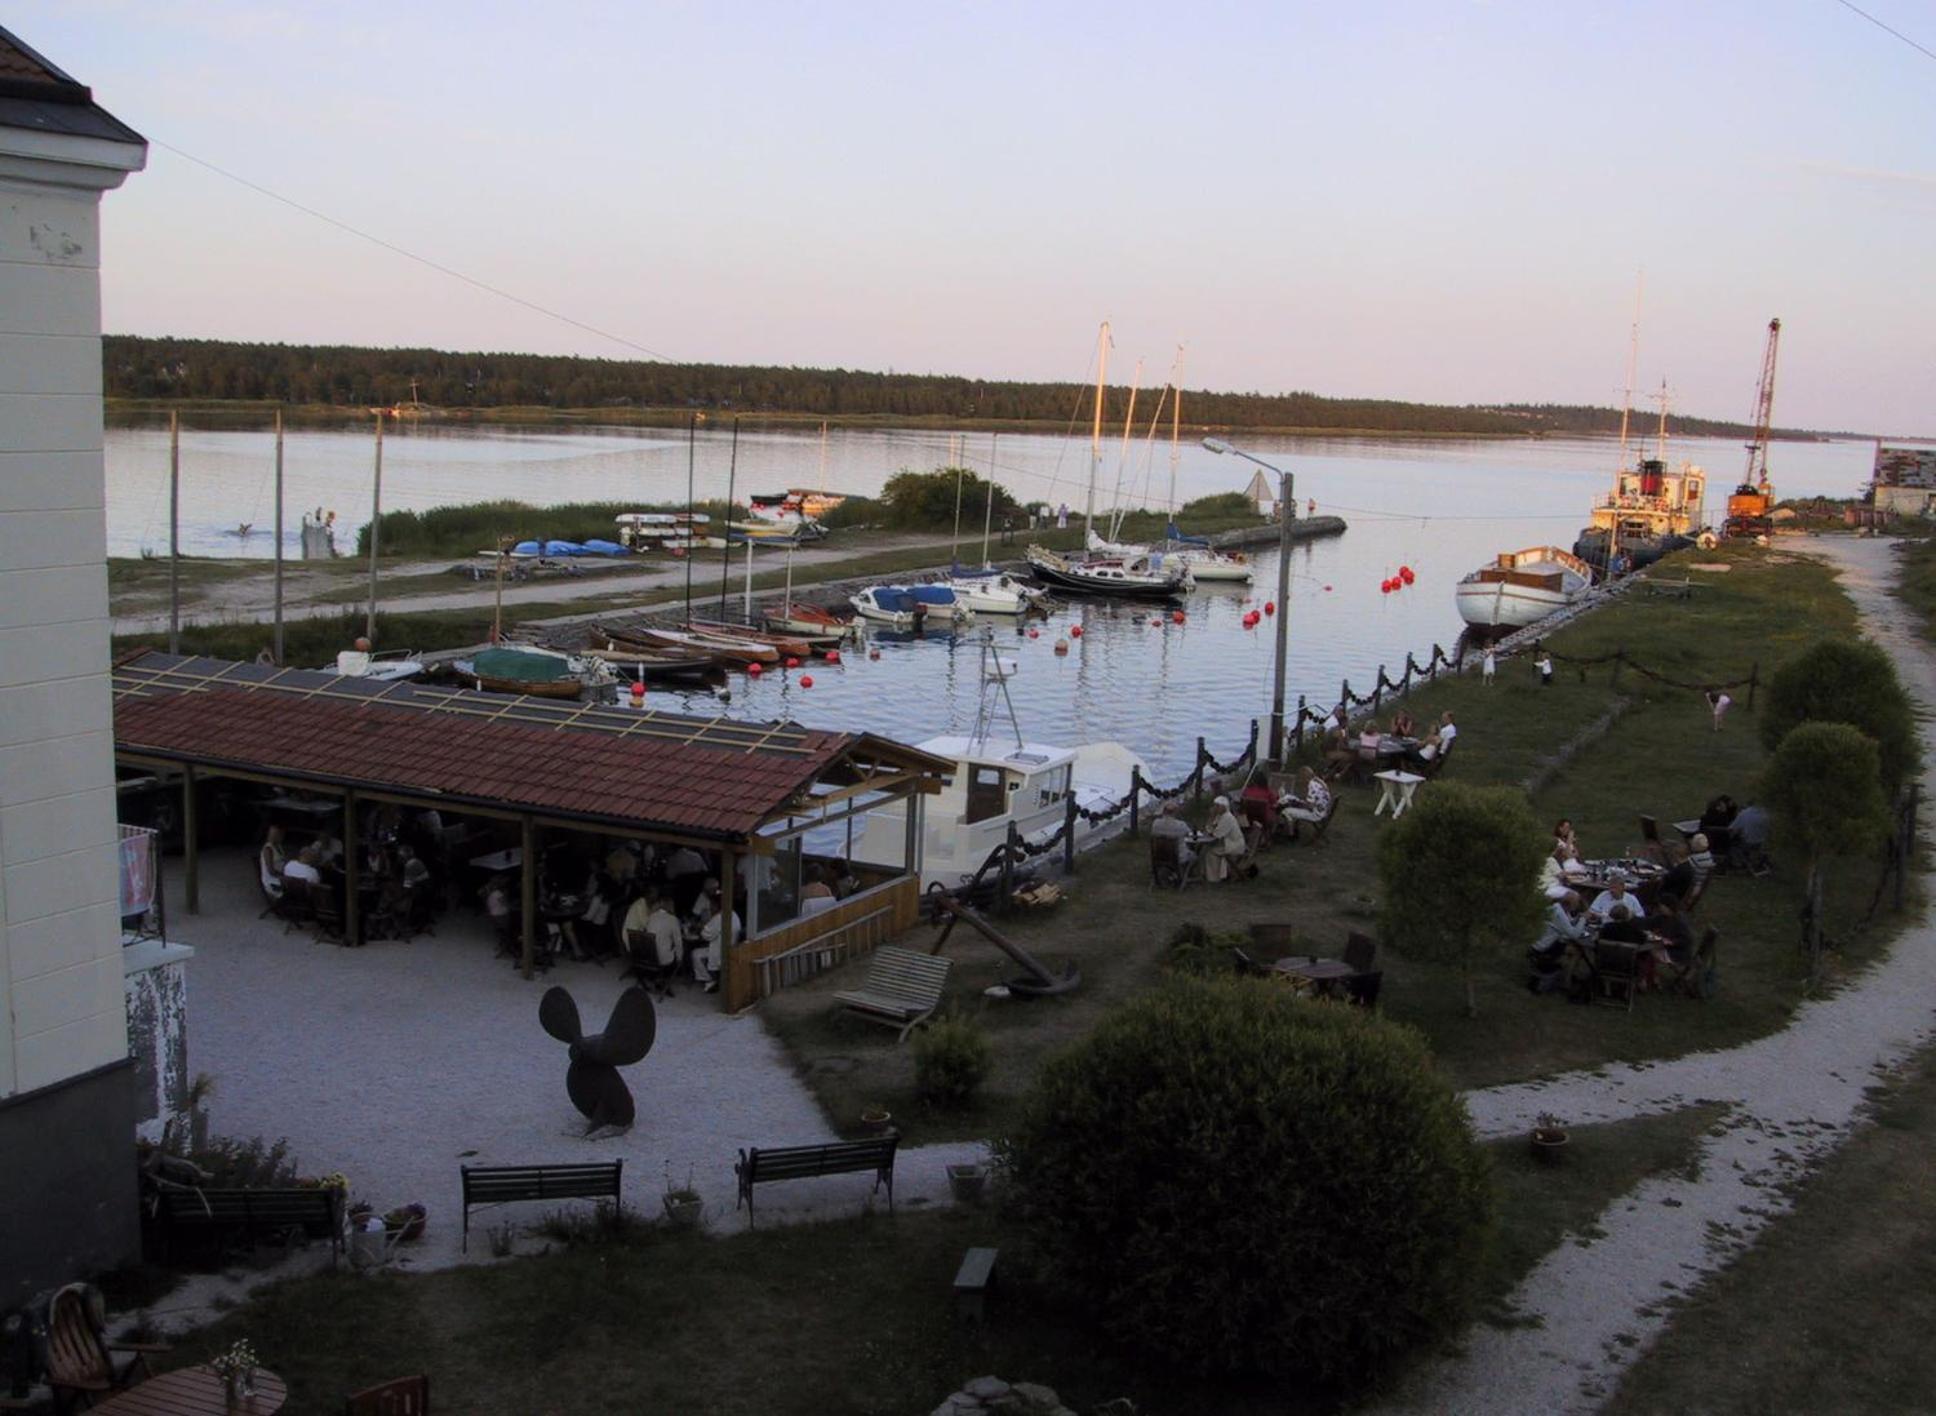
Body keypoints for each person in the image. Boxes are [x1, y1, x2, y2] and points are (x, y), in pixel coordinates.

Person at [693, 895, 740, 993]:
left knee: (695, 954)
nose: (710, 908)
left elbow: (706, 935)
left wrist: (702, 925)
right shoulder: (734, 914)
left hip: (719, 952)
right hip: (731, 947)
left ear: (716, 906)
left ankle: (710, 979)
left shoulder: (719, 918)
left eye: (711, 906)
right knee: (702, 950)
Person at [1201, 796, 1249, 883]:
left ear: (1224, 807)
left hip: (1234, 845)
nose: (1215, 808)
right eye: (1215, 806)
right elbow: (1209, 830)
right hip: (1226, 843)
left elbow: (1216, 834)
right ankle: (1211, 875)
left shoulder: (1227, 818)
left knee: (1210, 851)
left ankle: (1214, 878)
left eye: (1217, 806)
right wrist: (1211, 818)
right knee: (1207, 848)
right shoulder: (1220, 816)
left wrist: (1211, 823)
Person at [1280, 766, 1332, 830]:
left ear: (1304, 778)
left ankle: (1291, 834)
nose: (1300, 780)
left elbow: (1310, 806)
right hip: (1323, 810)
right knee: (1293, 800)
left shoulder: (1312, 787)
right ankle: (1292, 826)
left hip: (1316, 814)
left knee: (1286, 811)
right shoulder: (1317, 781)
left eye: (1300, 778)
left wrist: (1297, 803)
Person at [1150, 800, 1195, 872]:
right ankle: (1186, 875)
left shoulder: (1155, 823)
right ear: (1175, 812)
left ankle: (1171, 874)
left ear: (1163, 811)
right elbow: (1190, 834)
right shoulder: (1181, 825)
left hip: (1160, 856)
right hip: (1179, 857)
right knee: (1194, 856)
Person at [259, 826, 288, 898]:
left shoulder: (278, 846)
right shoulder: (268, 849)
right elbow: (271, 871)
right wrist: (284, 876)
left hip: (281, 876)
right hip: (273, 881)